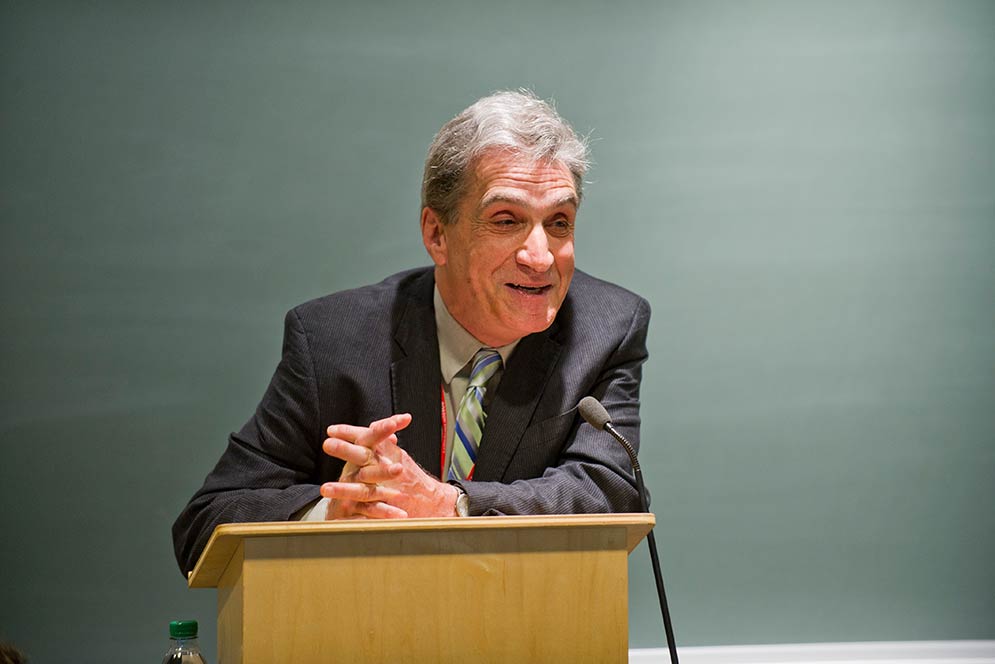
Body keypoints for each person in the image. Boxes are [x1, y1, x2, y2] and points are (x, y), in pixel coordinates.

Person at [172, 90, 651, 575]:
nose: (541, 256)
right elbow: (204, 523)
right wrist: (333, 512)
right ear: (436, 234)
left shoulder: (605, 327)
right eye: (506, 221)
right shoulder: (333, 341)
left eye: (559, 223)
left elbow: (611, 490)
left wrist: (449, 504)